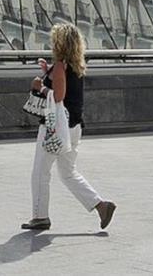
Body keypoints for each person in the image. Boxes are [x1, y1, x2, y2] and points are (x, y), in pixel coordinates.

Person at [22, 23, 116, 232]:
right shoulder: (76, 65)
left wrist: (41, 87)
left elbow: (58, 96)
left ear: (60, 43)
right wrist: (47, 72)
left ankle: (40, 217)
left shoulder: (60, 65)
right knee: (68, 173)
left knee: (40, 172)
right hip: (74, 127)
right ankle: (101, 206)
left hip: (54, 127)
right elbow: (66, 87)